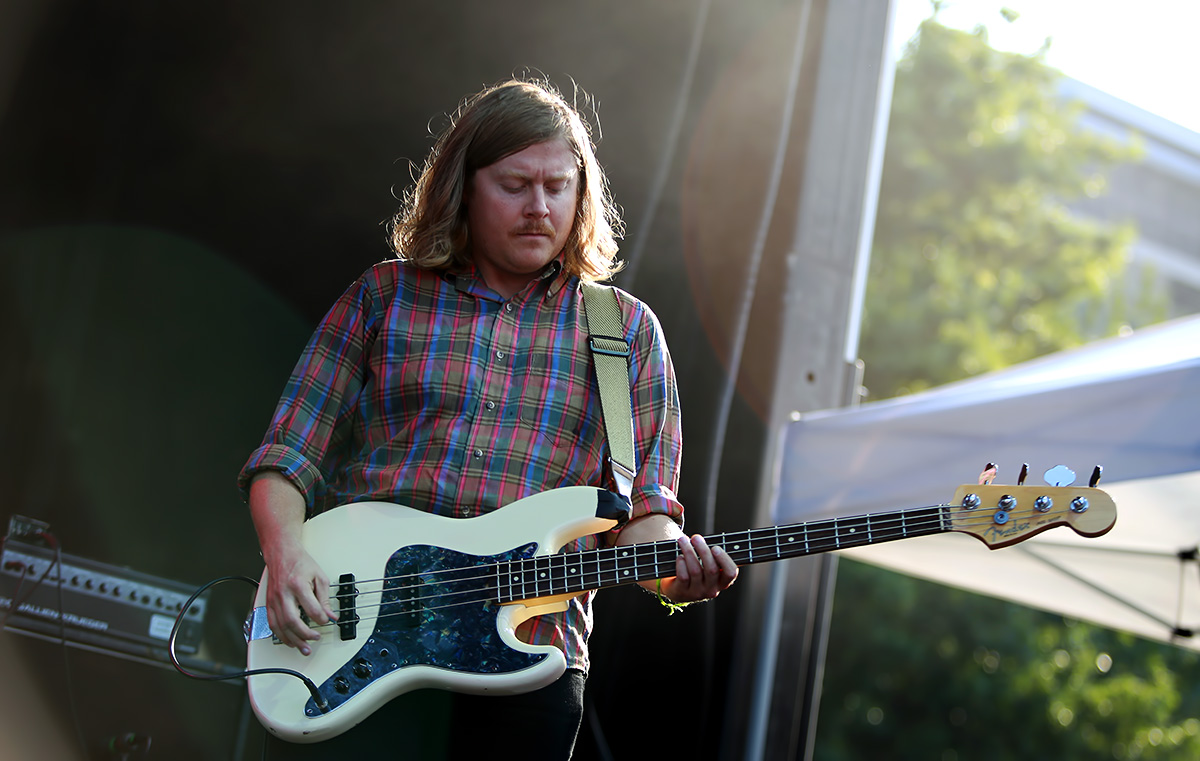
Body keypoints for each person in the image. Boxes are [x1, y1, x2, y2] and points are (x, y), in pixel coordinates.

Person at [237, 78, 738, 759]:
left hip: (527, 660)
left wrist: (676, 576)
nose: (540, 207)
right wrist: (286, 553)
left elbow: (642, 517)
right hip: (352, 644)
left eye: (558, 186)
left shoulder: (626, 332)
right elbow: (286, 453)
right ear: (463, 188)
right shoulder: (385, 295)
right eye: (515, 185)